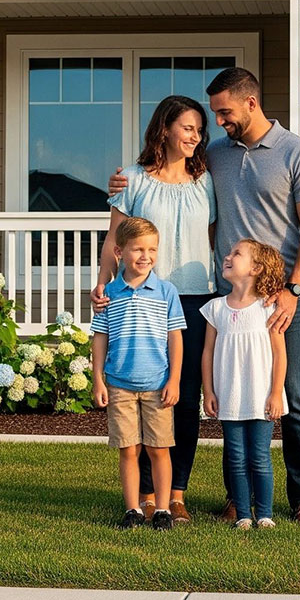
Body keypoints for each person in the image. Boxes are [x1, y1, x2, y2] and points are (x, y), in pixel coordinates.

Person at [104, 67, 300, 524]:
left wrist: (292, 289)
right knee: (229, 393)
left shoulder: (296, 152)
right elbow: (140, 223)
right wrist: (120, 190)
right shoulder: (216, 159)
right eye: (206, 119)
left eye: (222, 114)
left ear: (249, 102)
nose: (216, 125)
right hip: (224, 299)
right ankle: (234, 496)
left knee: (293, 396)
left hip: (279, 296)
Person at [93, 95, 216, 525]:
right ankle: (144, 494)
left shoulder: (206, 181)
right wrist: (103, 281)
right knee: (139, 390)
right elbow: (113, 240)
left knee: (181, 397)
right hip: (141, 298)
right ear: (164, 128)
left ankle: (175, 494)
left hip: (197, 297)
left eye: (200, 130)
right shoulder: (131, 180)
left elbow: (213, 236)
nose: (195, 137)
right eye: (187, 128)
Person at [90, 217, 185, 531]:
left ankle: (161, 509)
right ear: (119, 251)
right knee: (128, 449)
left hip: (158, 384)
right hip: (119, 386)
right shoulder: (109, 294)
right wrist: (98, 380)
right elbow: (100, 337)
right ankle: (132, 509)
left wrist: (174, 380)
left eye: (152, 250)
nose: (146, 256)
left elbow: (175, 338)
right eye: (138, 249)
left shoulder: (166, 292)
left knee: (159, 448)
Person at [201, 239, 288, 530]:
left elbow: (279, 353)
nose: (227, 256)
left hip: (262, 395)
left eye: (236, 253)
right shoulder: (215, 309)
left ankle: (264, 514)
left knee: (260, 457)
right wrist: (209, 391)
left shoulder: (268, 308)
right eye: (229, 252)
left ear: (256, 268)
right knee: (236, 457)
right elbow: (208, 352)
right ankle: (242, 515)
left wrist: (276, 393)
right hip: (229, 395)